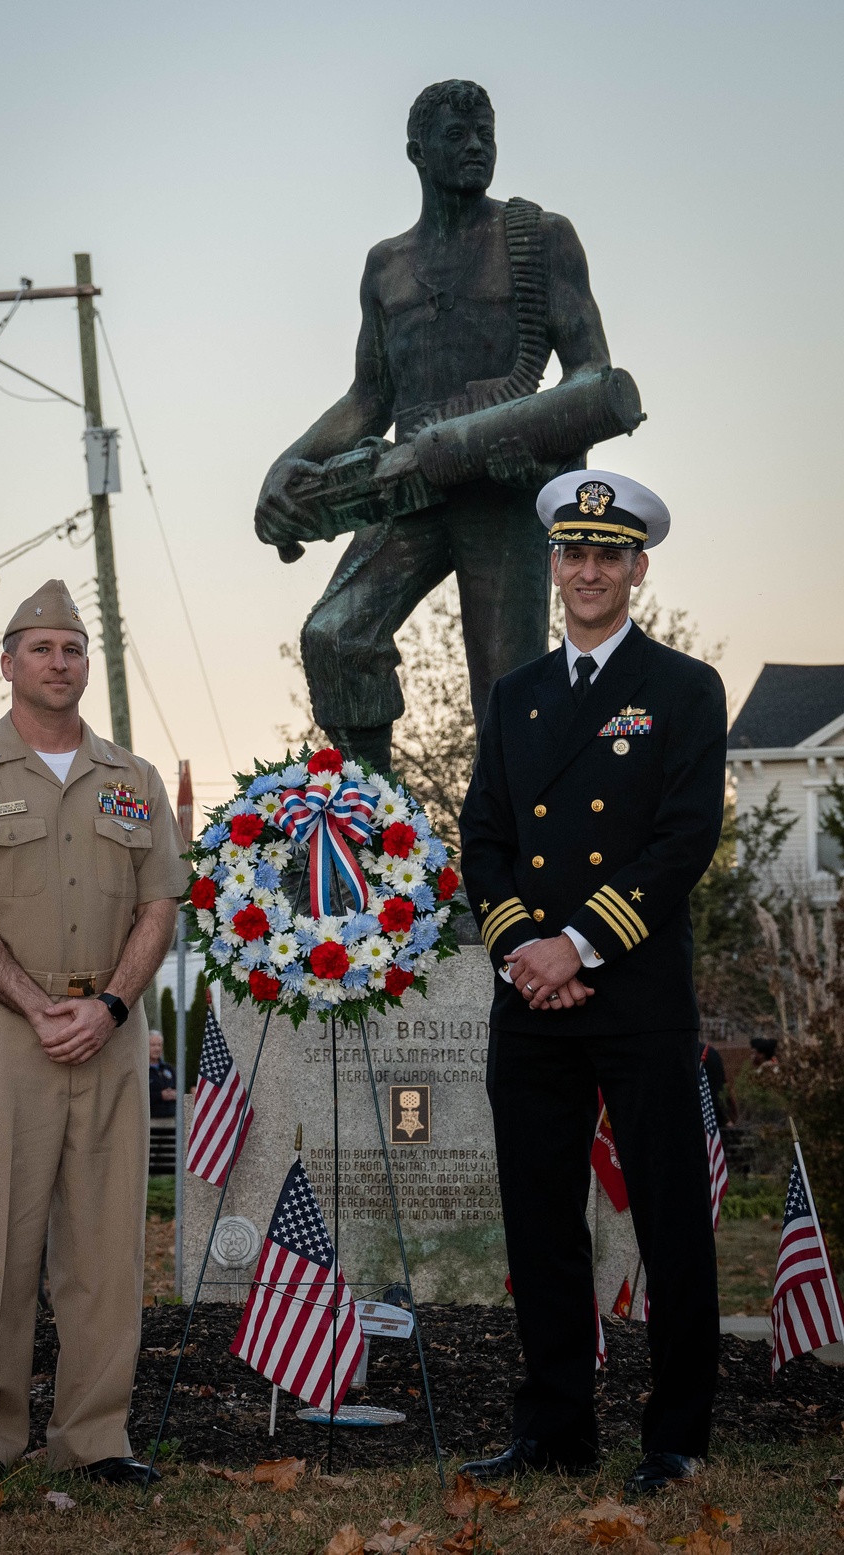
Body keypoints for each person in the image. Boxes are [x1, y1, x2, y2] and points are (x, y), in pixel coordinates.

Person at [458, 472, 727, 1496]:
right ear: (554, 564)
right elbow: (484, 838)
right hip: (530, 999)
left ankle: (677, 1434)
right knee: (538, 1219)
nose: (587, 571)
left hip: (637, 994)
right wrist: (526, 950)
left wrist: (578, 944)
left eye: (607, 556)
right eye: (572, 553)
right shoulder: (516, 692)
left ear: (636, 569)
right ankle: (556, 1429)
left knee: (667, 1220)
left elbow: (682, 838)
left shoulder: (681, 688)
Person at [0, 580, 187, 1486]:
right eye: (42, 648)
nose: (59, 663)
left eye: (73, 648)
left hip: (106, 1031)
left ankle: (95, 1438)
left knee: (105, 1248)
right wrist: (35, 1003)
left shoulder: (133, 781)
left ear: (85, 664)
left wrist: (107, 1007)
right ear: (8, 662)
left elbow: (160, 903)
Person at [254, 79, 613, 772]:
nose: (477, 146)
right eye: (457, 135)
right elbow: (369, 397)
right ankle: (379, 829)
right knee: (336, 636)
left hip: (506, 489)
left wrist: (539, 458)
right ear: (417, 153)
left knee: (507, 702)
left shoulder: (539, 237)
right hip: (410, 484)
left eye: (487, 132)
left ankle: (515, 869)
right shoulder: (386, 265)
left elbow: (590, 381)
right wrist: (288, 463)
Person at [148, 1029, 177, 1118]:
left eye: (159, 1045)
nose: (157, 1048)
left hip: (171, 1120)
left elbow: (179, 1088)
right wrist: (160, 1095)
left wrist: (175, 1094)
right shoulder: (142, 1070)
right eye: (153, 1045)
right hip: (151, 1121)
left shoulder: (168, 1068)